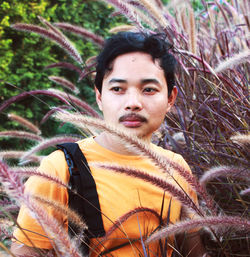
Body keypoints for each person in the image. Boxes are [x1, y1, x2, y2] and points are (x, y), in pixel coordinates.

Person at [11, 32, 208, 256]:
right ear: (99, 96)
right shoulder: (60, 169)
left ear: (170, 99)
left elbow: (193, 250)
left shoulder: (176, 167)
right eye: (117, 89)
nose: (133, 103)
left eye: (149, 89)